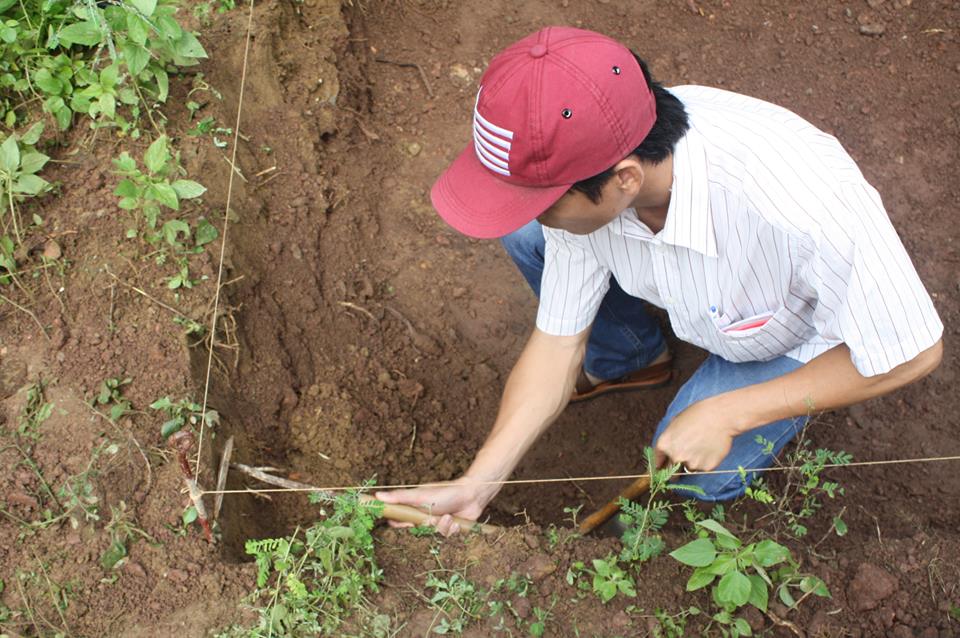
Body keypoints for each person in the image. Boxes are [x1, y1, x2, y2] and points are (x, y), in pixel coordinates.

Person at [376, 26, 943, 536]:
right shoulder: (601, 153)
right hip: (710, 294)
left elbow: (911, 352)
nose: (540, 214)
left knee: (690, 470)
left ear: (624, 178)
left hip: (797, 337)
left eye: (546, 202)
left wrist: (731, 413)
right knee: (527, 236)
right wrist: (479, 482)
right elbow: (558, 342)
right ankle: (632, 359)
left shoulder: (796, 201)